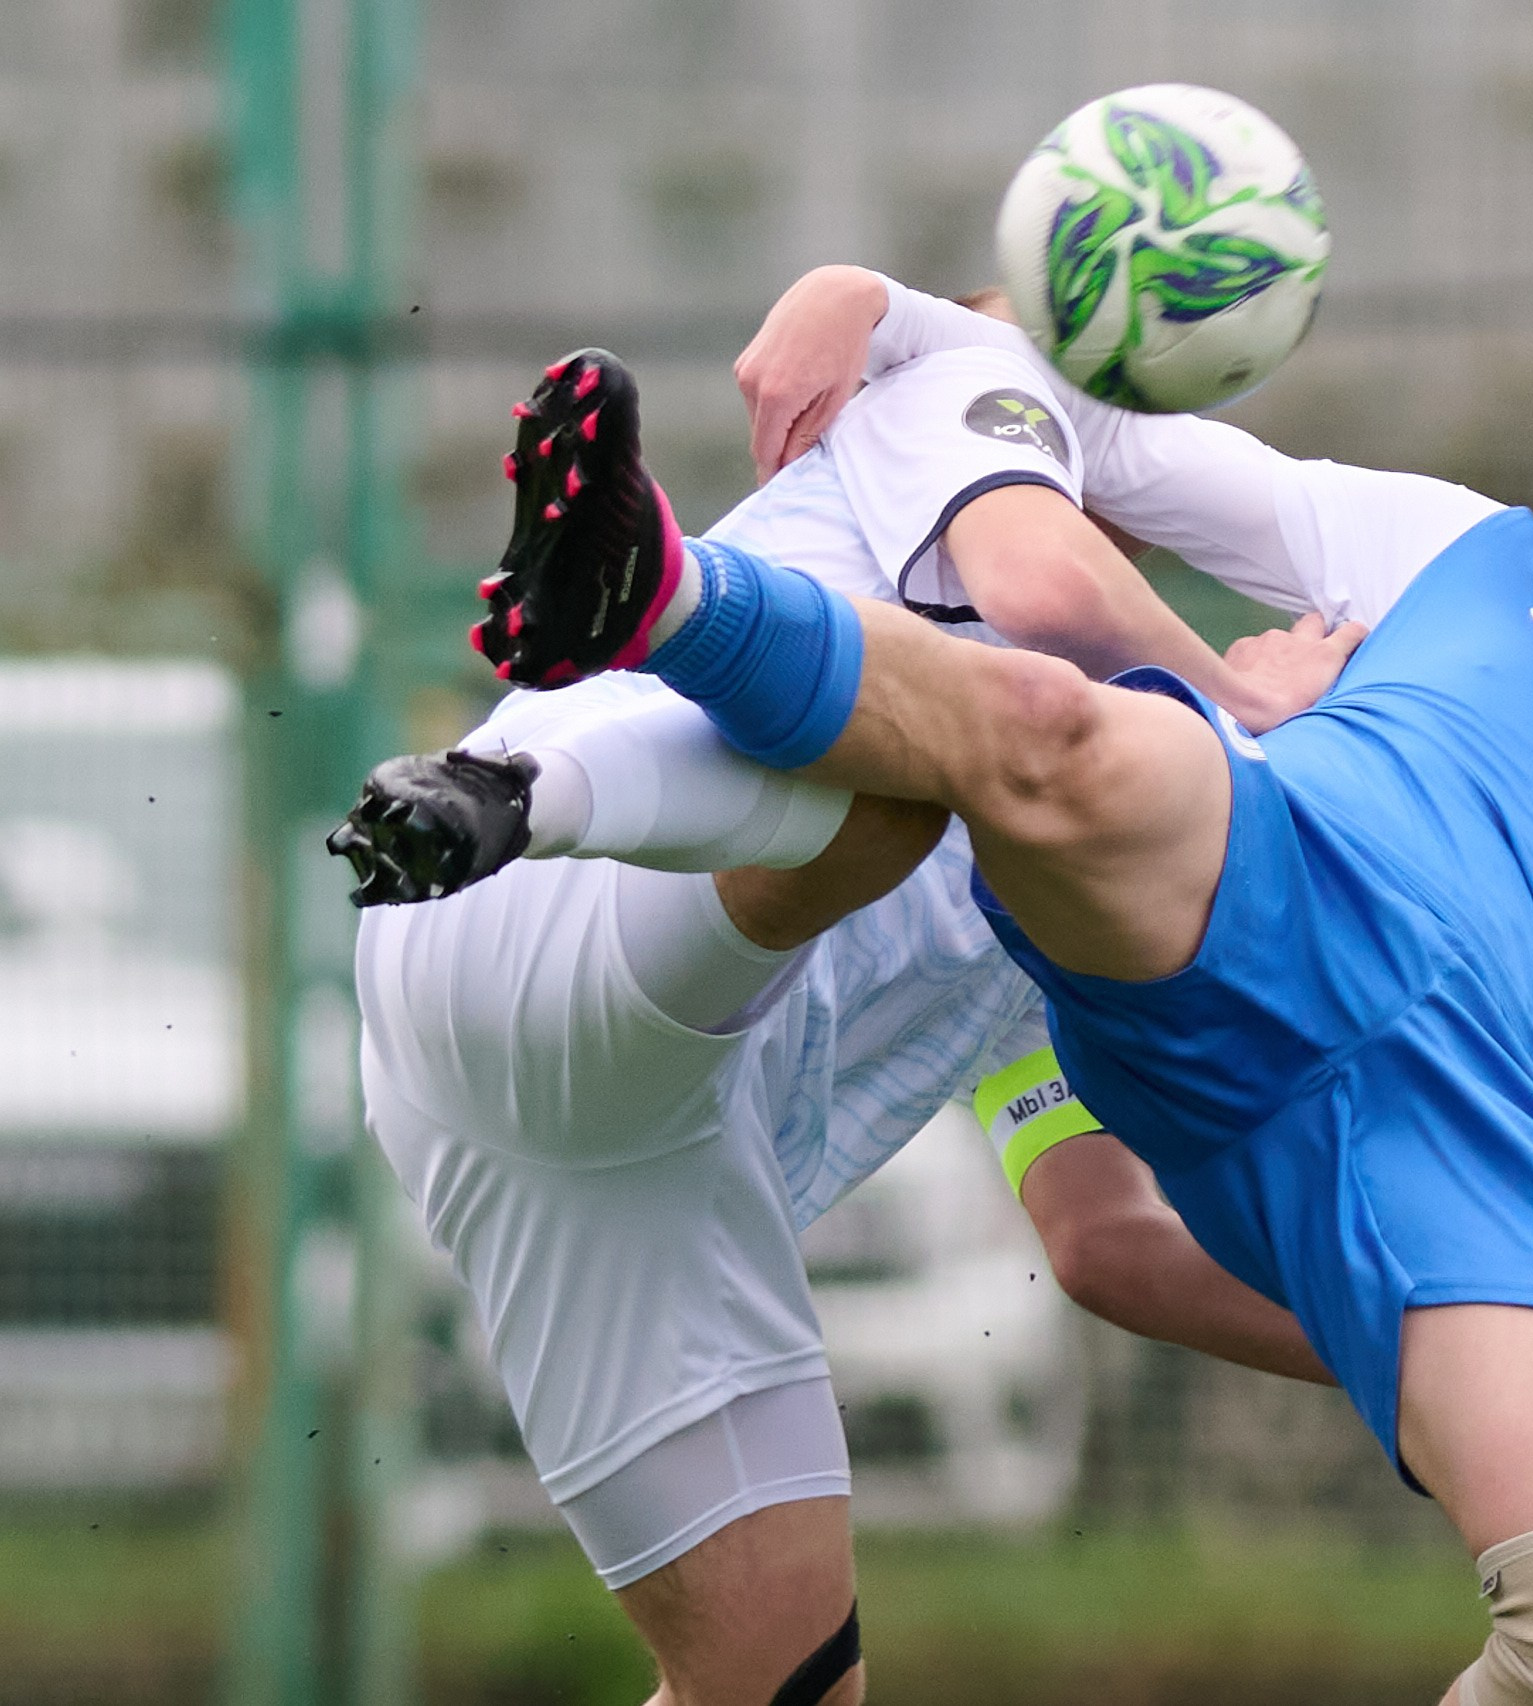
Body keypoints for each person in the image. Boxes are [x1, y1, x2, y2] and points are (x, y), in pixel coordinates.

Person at [435, 269, 1533, 1706]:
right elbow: (1079, 431)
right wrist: (884, 306)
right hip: (1258, 902)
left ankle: (640, 663)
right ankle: (649, 586)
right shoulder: (1466, 562)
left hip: (1448, 1166)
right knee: (1067, 727)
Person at [335, 333, 1352, 1706]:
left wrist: (1432, 1340)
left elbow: (1108, 1240)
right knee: (915, 758)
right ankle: (530, 763)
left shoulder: (1105, 855)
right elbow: (1025, 542)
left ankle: (528, 764)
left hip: (626, 1156)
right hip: (555, 896)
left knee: (780, 1685)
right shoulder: (935, 468)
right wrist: (1244, 702)